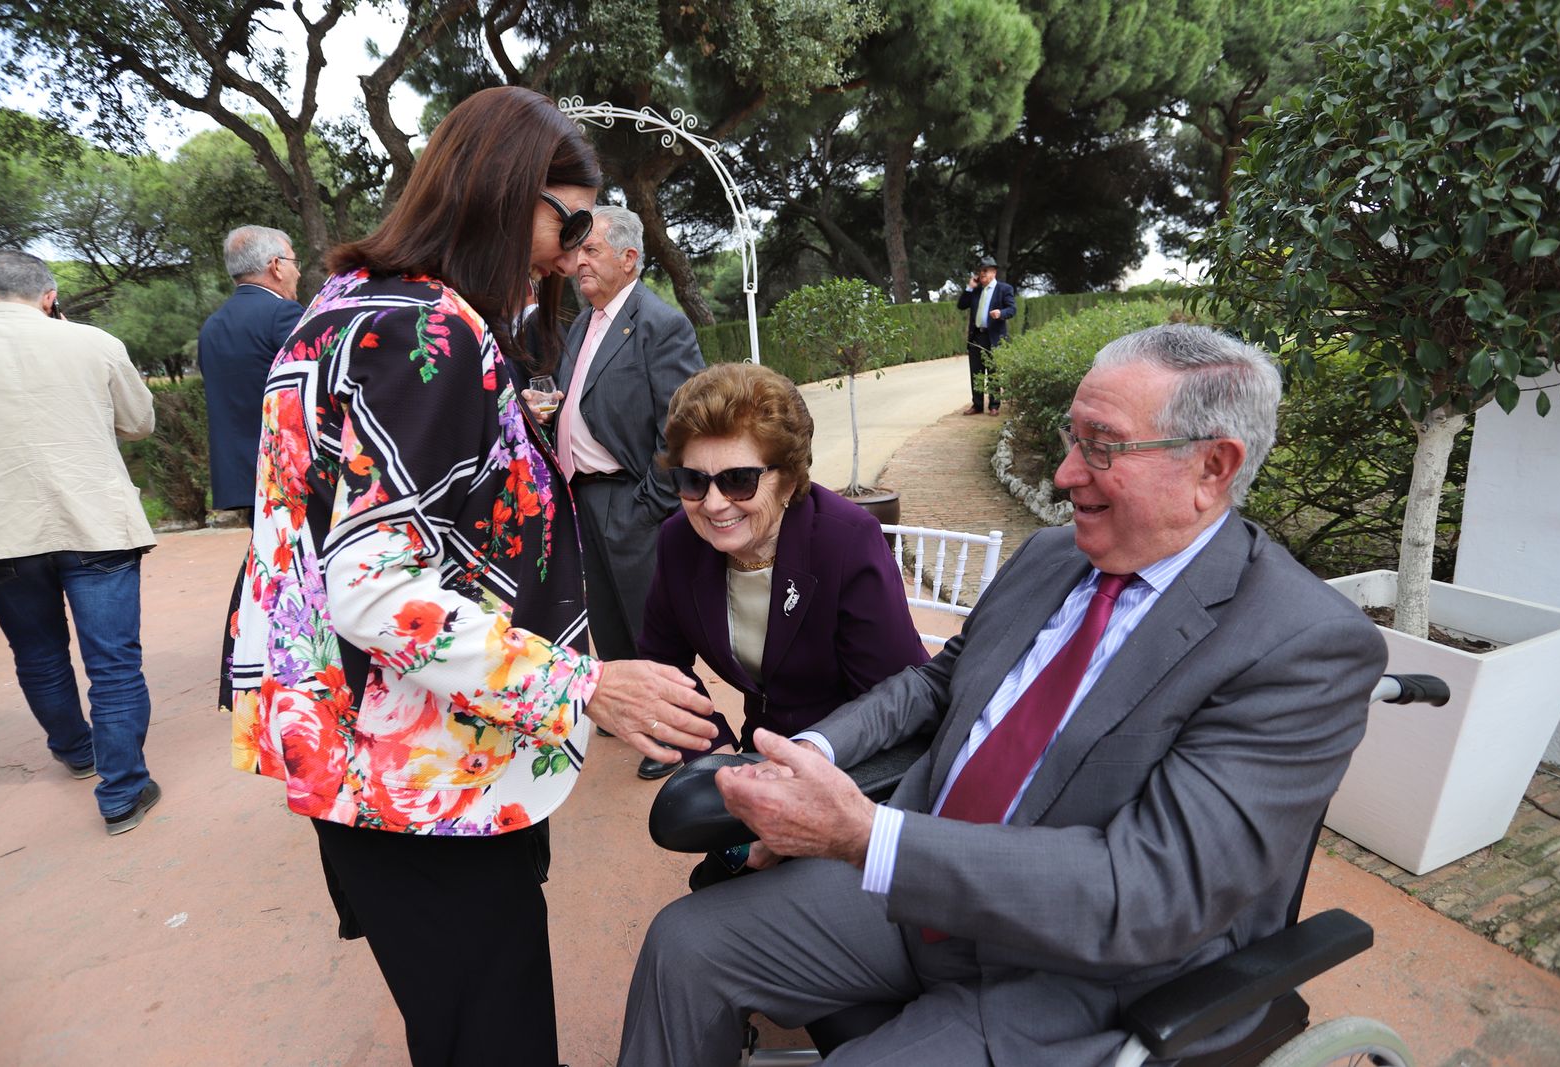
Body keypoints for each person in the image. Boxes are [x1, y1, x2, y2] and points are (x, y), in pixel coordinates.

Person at [617, 324, 1389, 1067]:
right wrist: (810, 754)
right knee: (684, 946)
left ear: (1213, 468)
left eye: (1102, 446)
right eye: (1069, 436)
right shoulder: (1053, 556)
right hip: (911, 897)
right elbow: (933, 681)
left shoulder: (1302, 644)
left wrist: (865, 835)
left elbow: (1148, 892)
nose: (1063, 473)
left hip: (1064, 976)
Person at [219, 86, 716, 1067]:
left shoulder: (345, 308)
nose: (572, 250)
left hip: (375, 766)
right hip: (418, 777)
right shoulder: (424, 331)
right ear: (504, 191)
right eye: (566, 219)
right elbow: (371, 588)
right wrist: (585, 682)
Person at [638, 362, 931, 880]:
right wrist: (720, 767)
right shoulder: (680, 543)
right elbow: (663, 670)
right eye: (692, 480)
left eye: (738, 481)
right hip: (762, 759)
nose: (712, 503)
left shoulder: (845, 541)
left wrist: (795, 801)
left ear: (790, 479)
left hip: (859, 771)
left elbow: (898, 703)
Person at [0, 250, 161, 835]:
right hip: (95, 521)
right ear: (48, 295)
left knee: (36, 655)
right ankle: (122, 793)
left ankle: (77, 751)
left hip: (1, 531)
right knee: (113, 662)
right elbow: (139, 423)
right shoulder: (92, 342)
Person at [549, 204, 707, 779]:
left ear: (629, 257)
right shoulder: (580, 323)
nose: (577, 263)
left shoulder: (659, 322)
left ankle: (682, 736)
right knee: (609, 622)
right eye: (577, 253)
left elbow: (683, 423)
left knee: (651, 624)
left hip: (631, 499)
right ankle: (628, 715)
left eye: (591, 251)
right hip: (582, 499)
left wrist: (650, 505)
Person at [198, 225, 305, 521]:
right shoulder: (284, 314)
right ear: (276, 266)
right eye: (295, 263)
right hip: (289, 473)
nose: (299, 273)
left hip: (242, 477)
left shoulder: (212, 327)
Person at [956, 255, 1016, 414]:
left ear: (993, 272)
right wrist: (969, 287)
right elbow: (961, 305)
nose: (981, 274)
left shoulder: (1004, 289)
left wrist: (1001, 313)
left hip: (994, 336)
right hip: (977, 336)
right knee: (976, 372)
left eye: (985, 270)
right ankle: (977, 405)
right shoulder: (975, 291)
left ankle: (994, 405)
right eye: (980, 271)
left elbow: (1012, 309)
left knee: (993, 372)